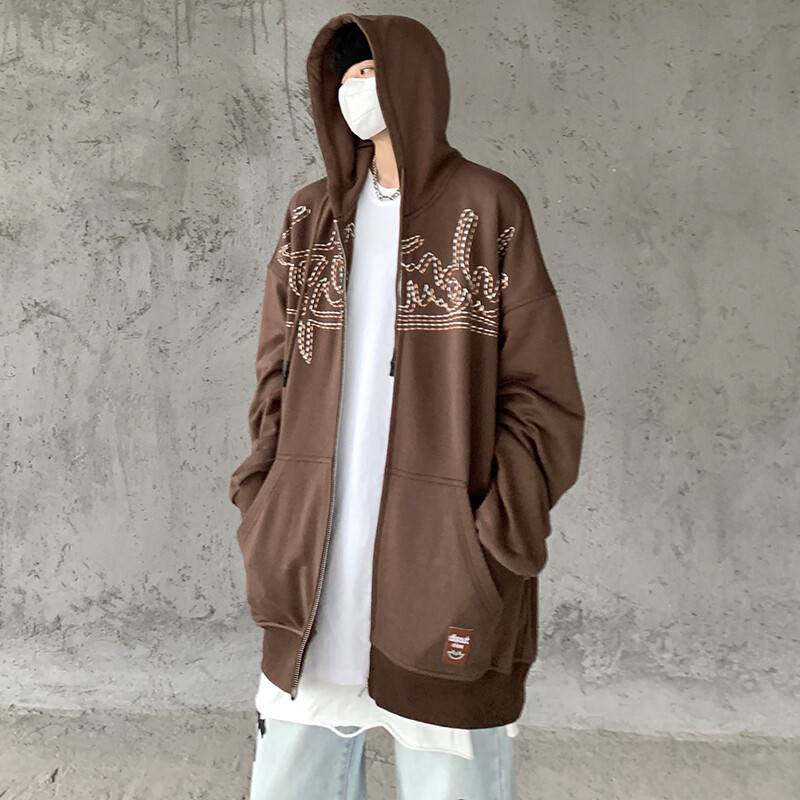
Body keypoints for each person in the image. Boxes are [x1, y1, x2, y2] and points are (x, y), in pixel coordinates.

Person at [229, 13, 585, 800]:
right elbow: (274, 377)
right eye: (346, 76)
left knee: (452, 783)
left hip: (445, 569)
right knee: (292, 783)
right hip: (313, 569)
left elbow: (542, 394)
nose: (356, 90)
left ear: (415, 83)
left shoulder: (487, 208)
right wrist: (267, 500)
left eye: (371, 72)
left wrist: (490, 533)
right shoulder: (310, 217)